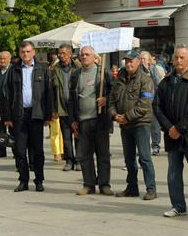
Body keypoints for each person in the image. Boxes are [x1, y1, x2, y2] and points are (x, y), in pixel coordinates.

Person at [155, 45, 188, 219]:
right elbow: (157, 107)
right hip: (172, 137)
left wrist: (179, 128)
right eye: (176, 57)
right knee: (173, 174)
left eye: (182, 57)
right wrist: (169, 128)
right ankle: (178, 205)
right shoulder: (166, 82)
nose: (179, 61)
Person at [2, 41, 53, 192]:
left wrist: (48, 116)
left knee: (38, 150)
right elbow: (7, 94)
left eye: (28, 51)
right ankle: (23, 180)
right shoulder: (14, 70)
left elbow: (48, 93)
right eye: (23, 52)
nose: (26, 54)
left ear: (34, 52)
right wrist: (7, 116)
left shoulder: (42, 69)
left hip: (36, 114)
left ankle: (39, 180)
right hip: (19, 114)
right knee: (19, 149)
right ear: (19, 53)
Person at [109, 50, 158, 200]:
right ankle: (132, 187)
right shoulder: (119, 79)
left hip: (140, 123)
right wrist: (115, 115)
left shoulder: (145, 80)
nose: (128, 63)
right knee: (129, 159)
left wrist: (127, 116)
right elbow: (111, 101)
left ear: (138, 62)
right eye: (127, 61)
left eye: (131, 61)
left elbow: (145, 105)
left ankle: (151, 189)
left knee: (144, 157)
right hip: (124, 125)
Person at [68, 46, 113, 196]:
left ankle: (104, 184)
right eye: (82, 55)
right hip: (82, 121)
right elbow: (71, 99)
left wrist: (106, 99)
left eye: (87, 54)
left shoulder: (102, 73)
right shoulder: (75, 75)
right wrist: (73, 119)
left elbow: (115, 92)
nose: (84, 57)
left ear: (95, 57)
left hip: (100, 120)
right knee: (85, 155)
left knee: (103, 154)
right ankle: (89, 184)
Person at [51, 44, 79, 171]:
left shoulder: (78, 67)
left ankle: (79, 160)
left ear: (70, 54)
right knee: (66, 137)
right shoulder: (55, 69)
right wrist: (53, 109)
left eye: (63, 53)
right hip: (62, 108)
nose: (61, 55)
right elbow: (51, 90)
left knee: (78, 135)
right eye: (59, 53)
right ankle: (69, 160)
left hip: (77, 108)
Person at [140, 51, 165, 156]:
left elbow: (159, 84)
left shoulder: (154, 69)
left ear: (149, 60)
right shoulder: (137, 71)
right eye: (140, 59)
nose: (142, 61)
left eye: (144, 59)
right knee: (142, 127)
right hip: (141, 103)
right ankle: (143, 147)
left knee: (155, 126)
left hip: (153, 101)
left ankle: (155, 145)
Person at [0, 51, 12, 159]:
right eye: (0, 59)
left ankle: (15, 150)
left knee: (13, 129)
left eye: (4, 59)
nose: (2, 61)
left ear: (9, 59)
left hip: (10, 105)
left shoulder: (13, 70)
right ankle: (1, 150)